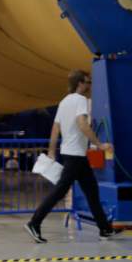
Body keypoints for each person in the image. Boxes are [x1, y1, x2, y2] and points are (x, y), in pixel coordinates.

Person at [26, 69, 114, 242]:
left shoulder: (64, 102)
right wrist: (99, 144)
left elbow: (55, 128)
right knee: (60, 191)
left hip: (73, 154)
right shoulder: (80, 100)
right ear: (80, 83)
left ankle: (105, 228)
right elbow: (82, 123)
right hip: (75, 156)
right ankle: (34, 222)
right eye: (88, 82)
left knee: (91, 191)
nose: (89, 86)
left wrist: (51, 151)